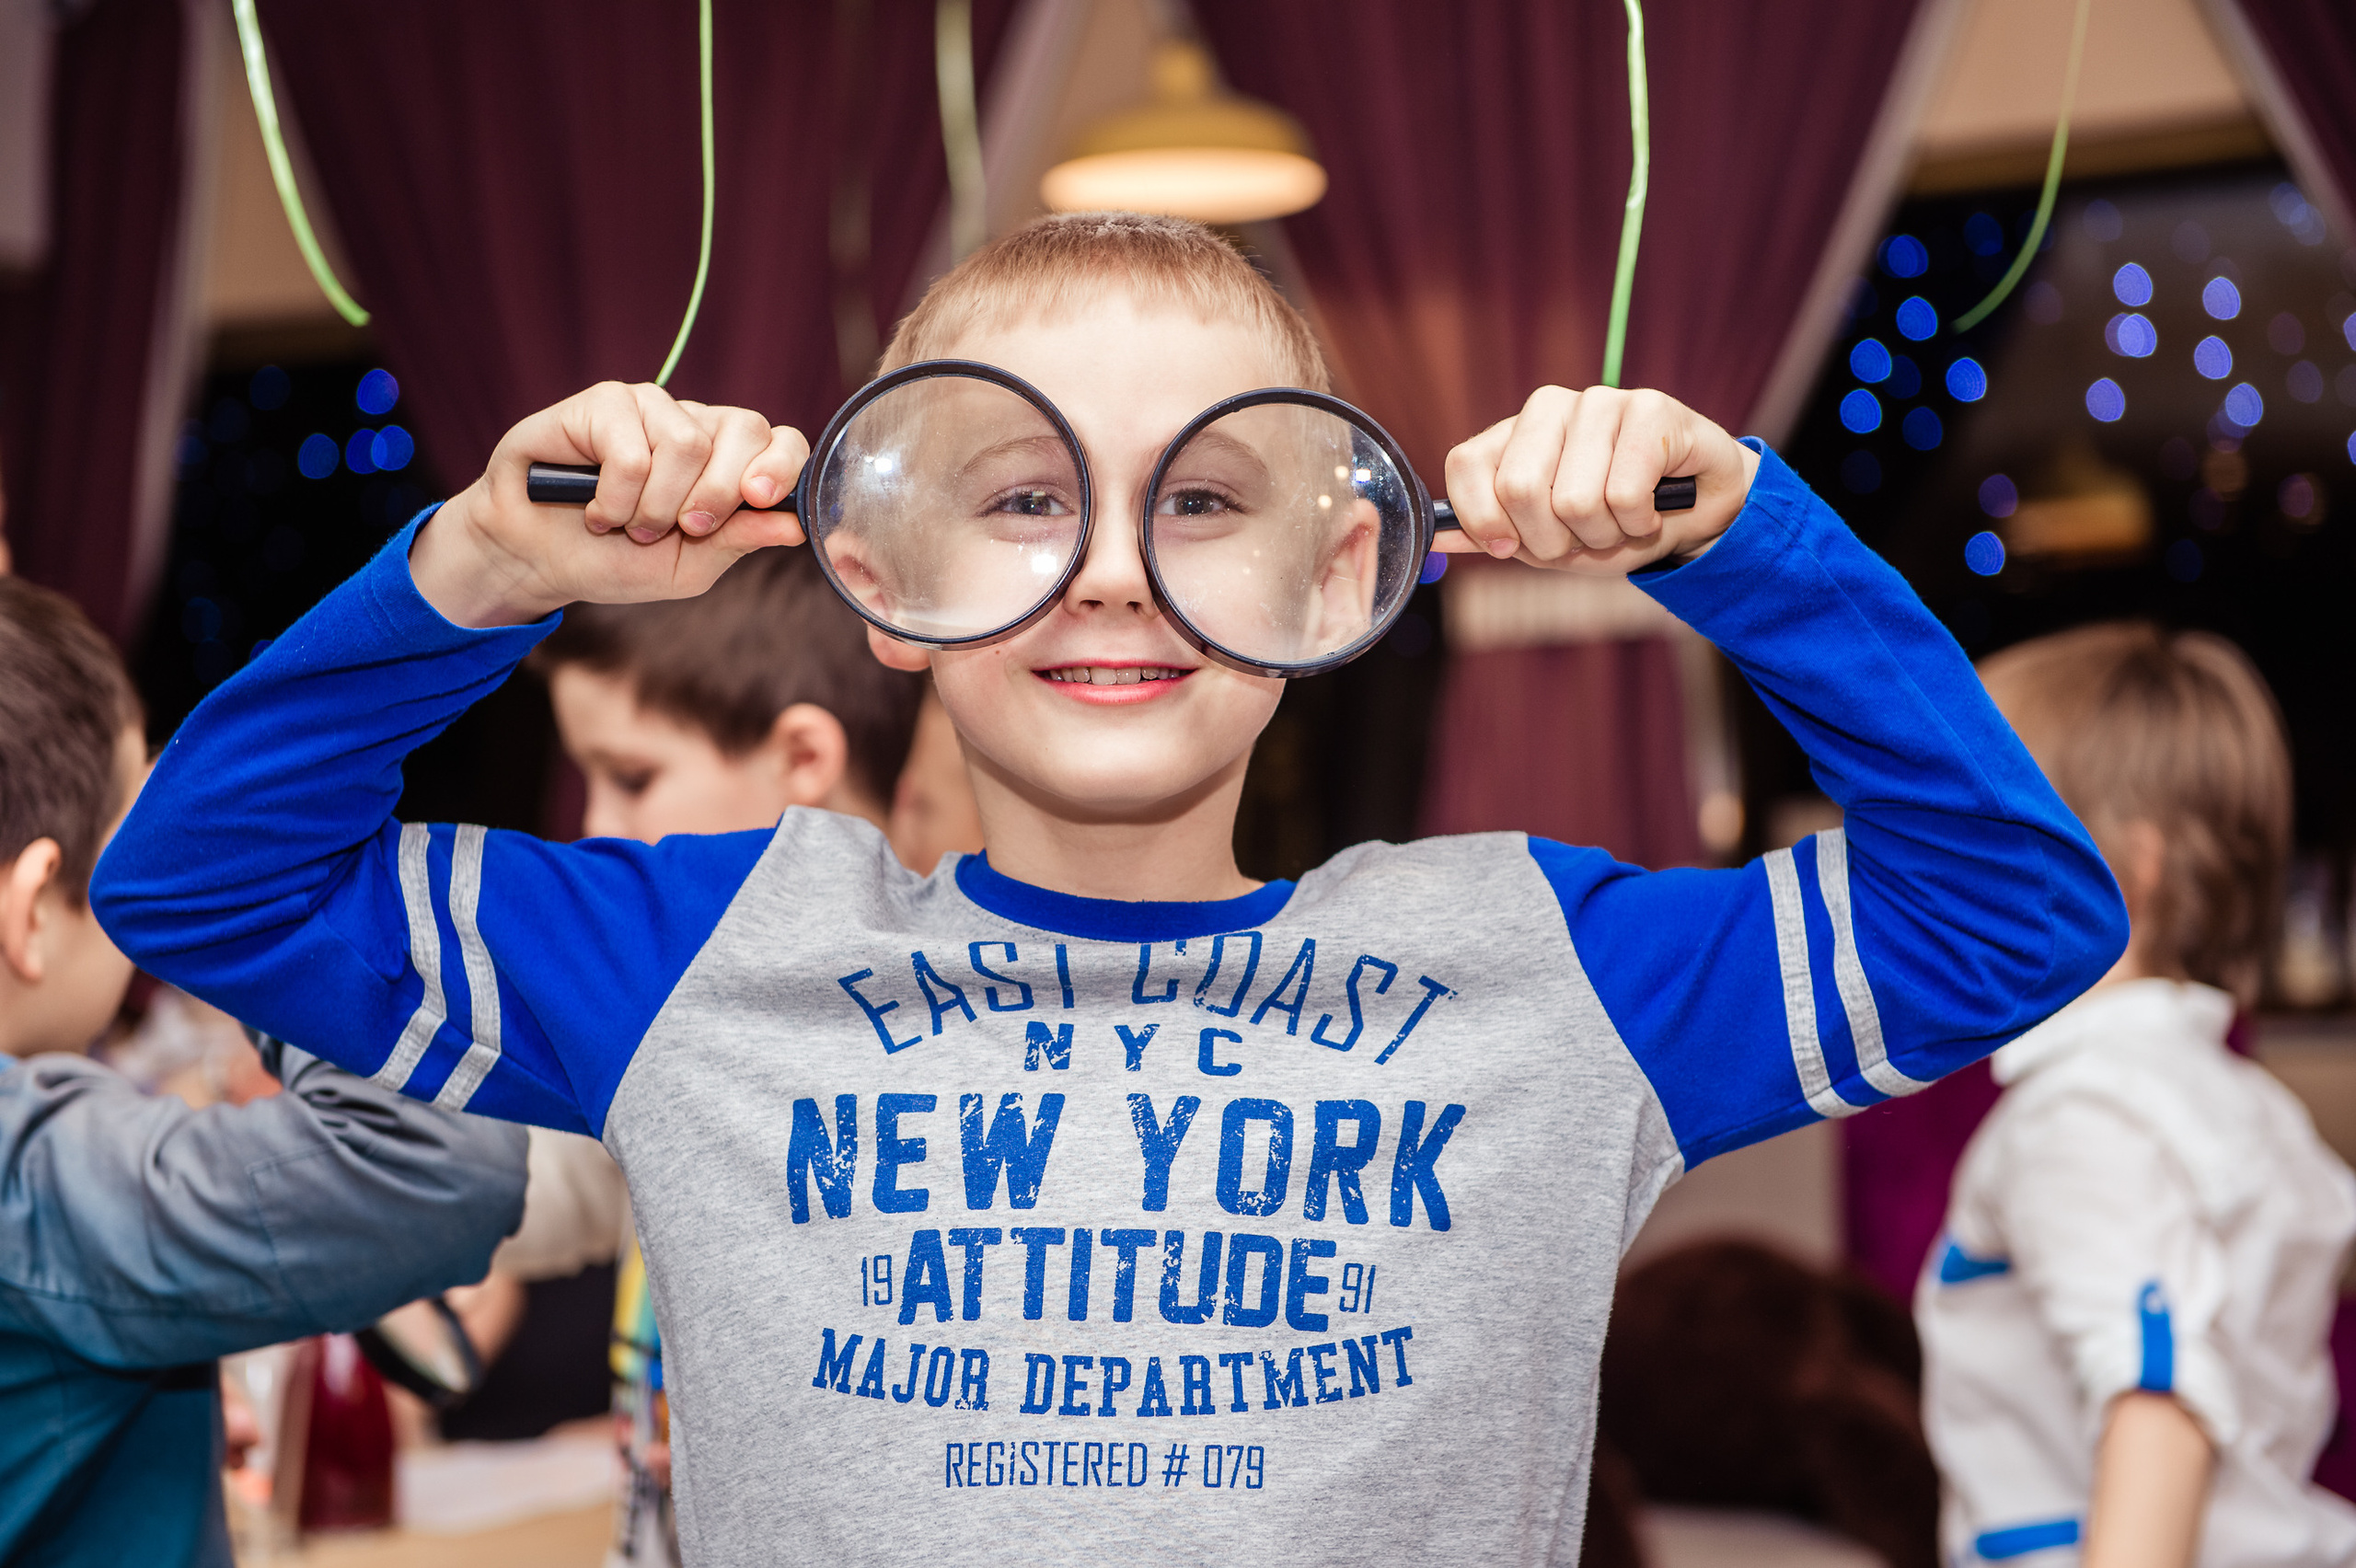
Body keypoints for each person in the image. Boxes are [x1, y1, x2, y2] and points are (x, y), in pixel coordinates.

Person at [94, 212, 2123, 1566]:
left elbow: (2012, 917)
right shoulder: (703, 953)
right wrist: (486, 568)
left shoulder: (1535, 970)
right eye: (1019, 495)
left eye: (1209, 499)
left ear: (1341, 577)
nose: (1109, 567)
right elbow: (201, 881)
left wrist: (1737, 539)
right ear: (877, 578)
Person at [0, 574, 528, 1565]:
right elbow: (436, 1159)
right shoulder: (27, 1171)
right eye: (132, 843)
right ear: (34, 909)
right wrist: (221, 895)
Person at [499, 547, 930, 1563]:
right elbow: (483, 1187)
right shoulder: (652, 1045)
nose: (595, 828)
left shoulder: (938, 1070)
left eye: (632, 777)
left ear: (801, 762)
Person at [1917, 623, 2356, 1568]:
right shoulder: (2246, 1107)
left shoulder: (2080, 1117)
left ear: (2128, 869)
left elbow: (2158, 1405)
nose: (1932, 874)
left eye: (1976, 836)